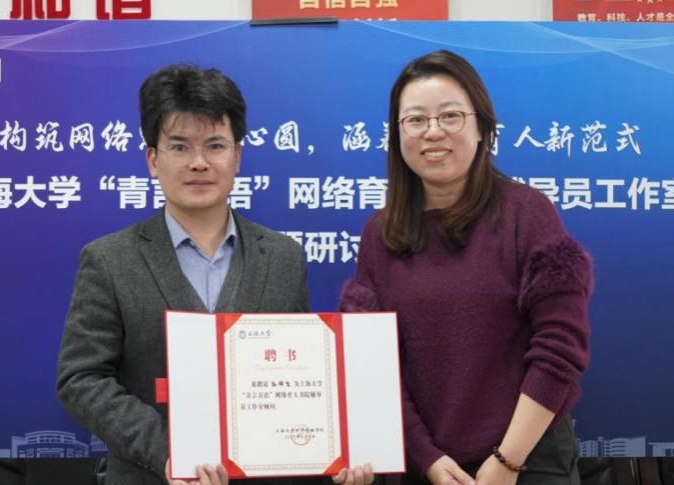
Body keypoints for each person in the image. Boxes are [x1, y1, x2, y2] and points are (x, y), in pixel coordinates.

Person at [340, 51, 593, 485]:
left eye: (451, 115)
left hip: (528, 461)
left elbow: (560, 347)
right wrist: (428, 458)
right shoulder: (380, 235)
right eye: (415, 119)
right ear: (397, 135)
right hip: (426, 467)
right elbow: (376, 364)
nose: (433, 131)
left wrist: (507, 461)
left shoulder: (527, 213)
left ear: (481, 127)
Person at [56, 64, 312, 485]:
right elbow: (81, 378)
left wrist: (334, 446)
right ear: (153, 160)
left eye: (215, 145)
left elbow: (300, 373)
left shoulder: (284, 257)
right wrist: (169, 453)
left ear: (237, 156)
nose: (198, 163)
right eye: (179, 146)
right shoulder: (109, 259)